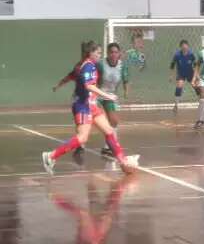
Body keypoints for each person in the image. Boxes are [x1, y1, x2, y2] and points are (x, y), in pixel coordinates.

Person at [42, 41, 139, 175]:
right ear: (91, 53)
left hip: (91, 105)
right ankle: (51, 156)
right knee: (82, 138)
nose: (100, 55)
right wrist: (107, 96)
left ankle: (123, 161)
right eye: (98, 52)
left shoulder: (91, 65)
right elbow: (89, 86)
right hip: (83, 105)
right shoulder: (88, 66)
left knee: (109, 131)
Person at [97, 43, 129, 156]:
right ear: (108, 53)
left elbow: (125, 79)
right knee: (98, 121)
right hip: (97, 95)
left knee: (114, 121)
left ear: (119, 53)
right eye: (111, 52)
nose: (114, 54)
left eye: (116, 52)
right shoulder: (101, 64)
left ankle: (108, 147)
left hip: (109, 96)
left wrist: (126, 91)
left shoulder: (122, 66)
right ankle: (79, 145)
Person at [169, 39, 199, 112]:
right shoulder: (177, 55)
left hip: (190, 73)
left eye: (186, 47)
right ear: (180, 47)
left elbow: (195, 65)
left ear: (188, 47)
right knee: (179, 87)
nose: (185, 48)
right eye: (183, 47)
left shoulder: (191, 54)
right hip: (181, 73)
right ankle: (176, 105)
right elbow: (172, 65)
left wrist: (197, 75)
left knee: (197, 87)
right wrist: (171, 75)